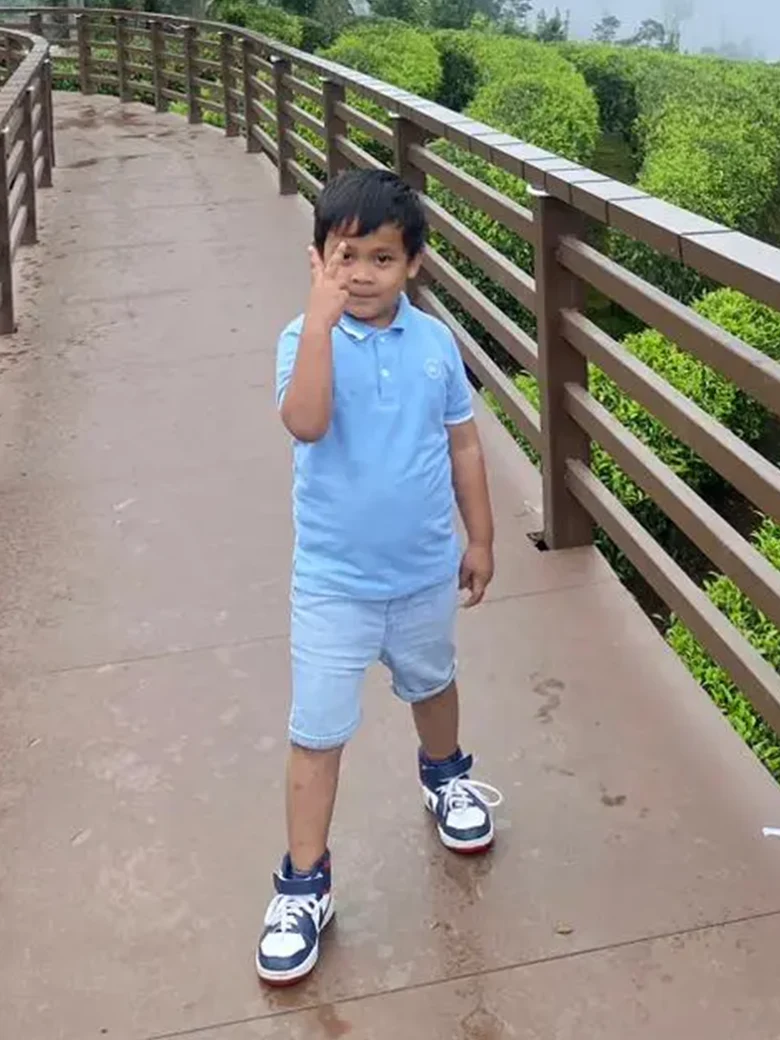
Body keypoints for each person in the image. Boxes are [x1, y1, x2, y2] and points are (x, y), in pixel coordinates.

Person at [257, 168, 502, 986]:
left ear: (414, 264)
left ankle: (448, 777)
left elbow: (464, 445)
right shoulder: (301, 339)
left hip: (424, 569)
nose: (362, 274)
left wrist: (480, 538)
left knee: (434, 682)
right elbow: (305, 421)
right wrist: (321, 323)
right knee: (316, 730)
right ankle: (304, 885)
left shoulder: (435, 345)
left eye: (382, 258)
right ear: (317, 259)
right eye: (345, 256)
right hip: (333, 582)